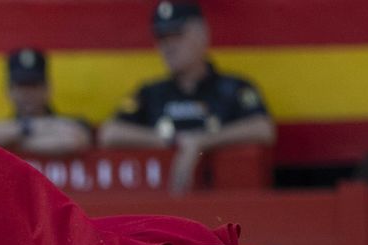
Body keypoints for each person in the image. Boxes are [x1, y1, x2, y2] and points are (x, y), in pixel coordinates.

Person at [98, 2, 273, 193]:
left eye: (177, 35)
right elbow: (110, 133)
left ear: (202, 34)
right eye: (162, 38)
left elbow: (262, 128)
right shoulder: (150, 93)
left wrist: (201, 142)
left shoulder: (233, 89)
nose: (168, 47)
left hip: (223, 200)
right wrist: (173, 141)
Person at [0, 48, 92, 157]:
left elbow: (72, 140)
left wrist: (8, 143)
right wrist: (28, 128)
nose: (27, 93)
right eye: (22, 86)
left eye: (33, 86)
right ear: (9, 91)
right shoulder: (0, 125)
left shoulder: (74, 122)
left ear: (47, 89)